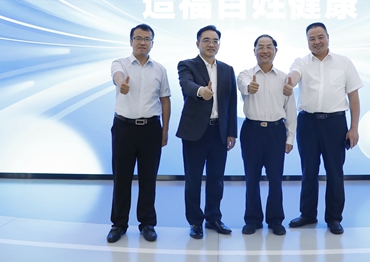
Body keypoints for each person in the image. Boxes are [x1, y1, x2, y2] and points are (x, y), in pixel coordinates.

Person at [283, 22, 362, 235]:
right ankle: (308, 214)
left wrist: (354, 127)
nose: (316, 42)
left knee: (335, 172)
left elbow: (353, 97)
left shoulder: (344, 62)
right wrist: (290, 82)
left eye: (320, 37)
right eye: (312, 38)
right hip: (307, 123)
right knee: (308, 171)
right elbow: (294, 74)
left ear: (328, 37)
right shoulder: (301, 62)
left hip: (335, 123)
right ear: (307, 41)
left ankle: (334, 218)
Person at [107, 24, 171, 243]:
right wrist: (121, 85)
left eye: (147, 39)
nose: (142, 42)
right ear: (131, 41)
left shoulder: (160, 69)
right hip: (124, 128)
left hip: (151, 129)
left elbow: (165, 100)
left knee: (148, 178)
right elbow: (117, 76)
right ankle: (118, 224)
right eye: (138, 38)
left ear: (152, 43)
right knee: (121, 177)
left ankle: (147, 223)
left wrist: (165, 130)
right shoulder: (120, 63)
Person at [176, 25, 237, 239]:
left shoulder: (227, 69)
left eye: (215, 40)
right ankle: (195, 221)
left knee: (216, 179)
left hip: (219, 132)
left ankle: (213, 218)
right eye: (206, 40)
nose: (211, 44)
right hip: (195, 133)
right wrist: (201, 91)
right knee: (193, 179)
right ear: (198, 43)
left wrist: (231, 132)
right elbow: (186, 85)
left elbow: (231, 103)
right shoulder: (187, 65)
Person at [237, 34, 296, 236]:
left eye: (269, 47)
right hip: (251, 131)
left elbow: (290, 109)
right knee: (251, 178)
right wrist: (250, 87)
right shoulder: (245, 74)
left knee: (275, 178)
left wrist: (290, 137)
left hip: (276, 132)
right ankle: (252, 219)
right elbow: (244, 85)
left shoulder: (284, 78)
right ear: (254, 51)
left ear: (275, 51)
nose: (265, 51)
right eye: (260, 47)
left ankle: (275, 220)